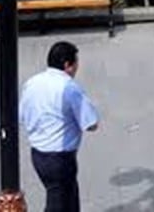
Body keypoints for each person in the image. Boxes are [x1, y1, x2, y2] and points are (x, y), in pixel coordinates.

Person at [20, 41, 100, 212]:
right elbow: (91, 123)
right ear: (67, 65)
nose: (77, 68)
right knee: (58, 202)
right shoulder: (69, 88)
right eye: (76, 63)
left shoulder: (32, 83)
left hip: (38, 154)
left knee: (69, 197)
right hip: (60, 158)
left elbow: (22, 116)